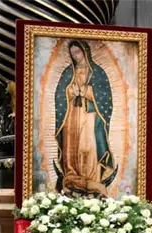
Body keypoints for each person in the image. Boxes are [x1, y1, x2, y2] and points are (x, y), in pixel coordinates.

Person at [54, 40, 118, 197]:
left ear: (85, 52)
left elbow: (105, 97)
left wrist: (87, 91)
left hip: (90, 116)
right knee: (71, 147)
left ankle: (92, 179)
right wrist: (69, 91)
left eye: (78, 52)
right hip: (71, 116)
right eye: (73, 53)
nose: (76, 56)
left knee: (88, 147)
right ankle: (71, 177)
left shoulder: (97, 72)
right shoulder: (68, 73)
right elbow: (59, 95)